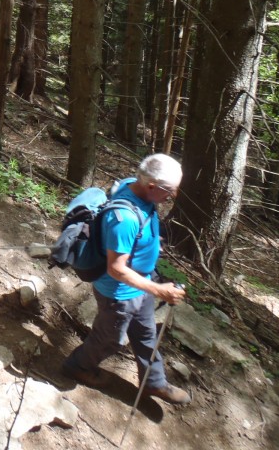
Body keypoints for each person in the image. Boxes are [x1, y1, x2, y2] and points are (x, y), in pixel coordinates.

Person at [61, 153, 191, 406]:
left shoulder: (135, 184)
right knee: (108, 338)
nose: (171, 198)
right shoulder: (124, 219)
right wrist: (158, 290)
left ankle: (154, 383)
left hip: (139, 286)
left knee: (145, 335)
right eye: (170, 192)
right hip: (118, 294)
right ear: (151, 186)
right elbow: (117, 269)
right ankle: (77, 366)